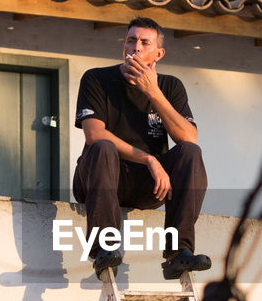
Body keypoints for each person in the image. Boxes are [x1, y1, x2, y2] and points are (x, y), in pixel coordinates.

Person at [72, 16, 212, 278]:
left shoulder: (171, 86)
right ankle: (103, 248)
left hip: (149, 186)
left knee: (191, 153)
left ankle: (178, 253)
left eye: (145, 43)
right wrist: (149, 159)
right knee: (102, 146)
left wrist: (153, 92)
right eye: (131, 40)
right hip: (99, 177)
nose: (135, 48)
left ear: (158, 53)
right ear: (124, 45)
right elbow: (93, 133)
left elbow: (188, 137)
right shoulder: (97, 78)